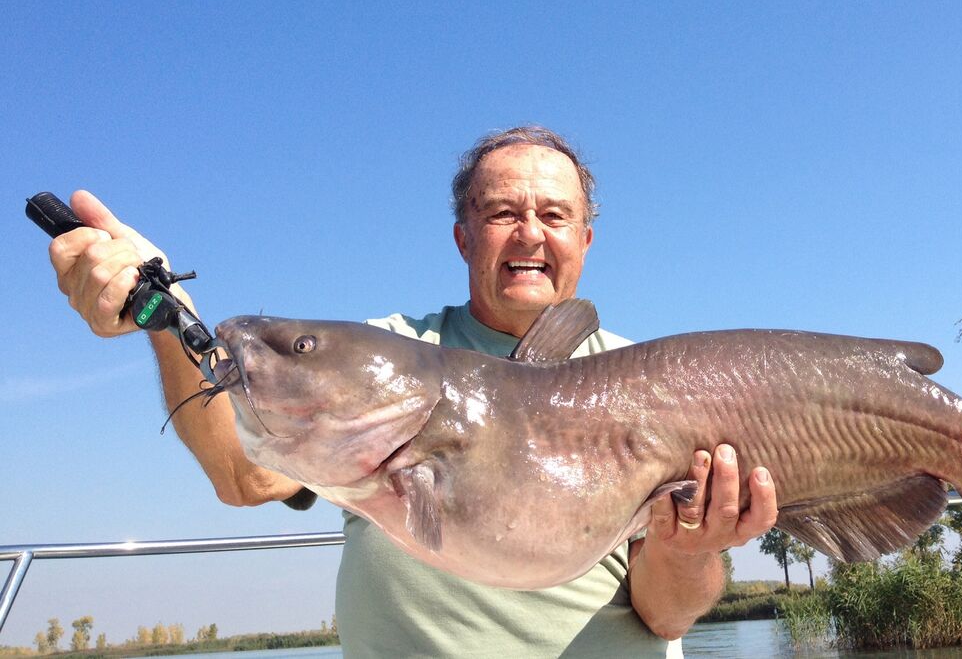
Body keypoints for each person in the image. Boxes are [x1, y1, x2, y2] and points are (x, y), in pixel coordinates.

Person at [48, 125, 779, 657]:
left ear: (586, 239)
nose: (529, 233)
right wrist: (164, 313)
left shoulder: (657, 390)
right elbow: (242, 474)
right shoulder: (388, 352)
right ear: (464, 238)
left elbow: (668, 618)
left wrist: (689, 552)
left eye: (554, 215)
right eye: (502, 213)